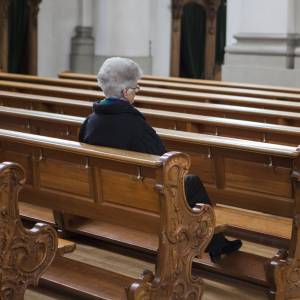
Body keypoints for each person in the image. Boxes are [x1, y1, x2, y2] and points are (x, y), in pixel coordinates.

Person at [79, 57, 242, 262]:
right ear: (125, 92)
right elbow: (164, 165)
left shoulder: (90, 122)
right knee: (191, 182)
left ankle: (214, 243)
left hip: (106, 193)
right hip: (139, 197)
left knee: (188, 184)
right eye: (136, 89)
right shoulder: (135, 124)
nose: (136, 94)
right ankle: (214, 243)